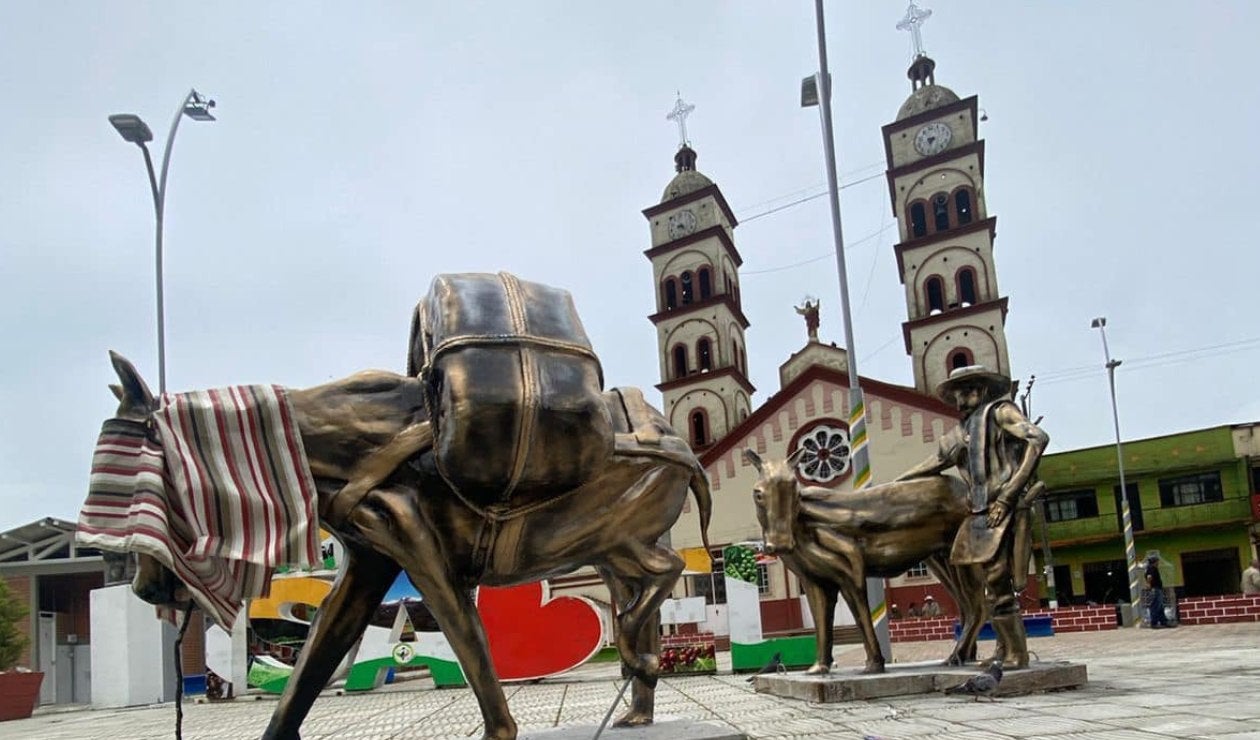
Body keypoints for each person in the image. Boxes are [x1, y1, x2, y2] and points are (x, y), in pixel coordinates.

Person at [895, 365, 1049, 669]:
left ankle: (1016, 653)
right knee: (991, 582)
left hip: (1004, 505)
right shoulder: (961, 432)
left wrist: (1008, 495)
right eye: (956, 394)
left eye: (967, 391)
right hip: (979, 510)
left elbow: (1037, 439)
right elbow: (935, 462)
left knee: (999, 579)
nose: (961, 400)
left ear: (983, 390)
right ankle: (1005, 650)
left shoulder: (1000, 412)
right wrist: (896, 483)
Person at [1145, 554, 1172, 628]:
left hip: (1157, 588)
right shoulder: (1151, 568)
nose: (1158, 562)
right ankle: (1154, 623)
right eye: (1157, 561)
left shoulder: (1151, 568)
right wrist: (1148, 584)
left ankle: (1164, 621)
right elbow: (1149, 576)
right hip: (1155, 588)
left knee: (1160, 606)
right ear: (1154, 561)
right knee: (1155, 606)